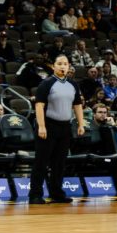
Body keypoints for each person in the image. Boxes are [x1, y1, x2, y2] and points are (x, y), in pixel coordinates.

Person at [29, 55, 85, 205]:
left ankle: (57, 193)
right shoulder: (46, 83)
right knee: (41, 162)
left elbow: (78, 105)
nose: (62, 67)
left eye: (65, 64)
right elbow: (39, 106)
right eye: (59, 64)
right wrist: (41, 126)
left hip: (65, 127)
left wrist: (81, 124)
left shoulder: (73, 84)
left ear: (69, 66)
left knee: (59, 163)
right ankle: (35, 194)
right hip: (48, 125)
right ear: (53, 66)